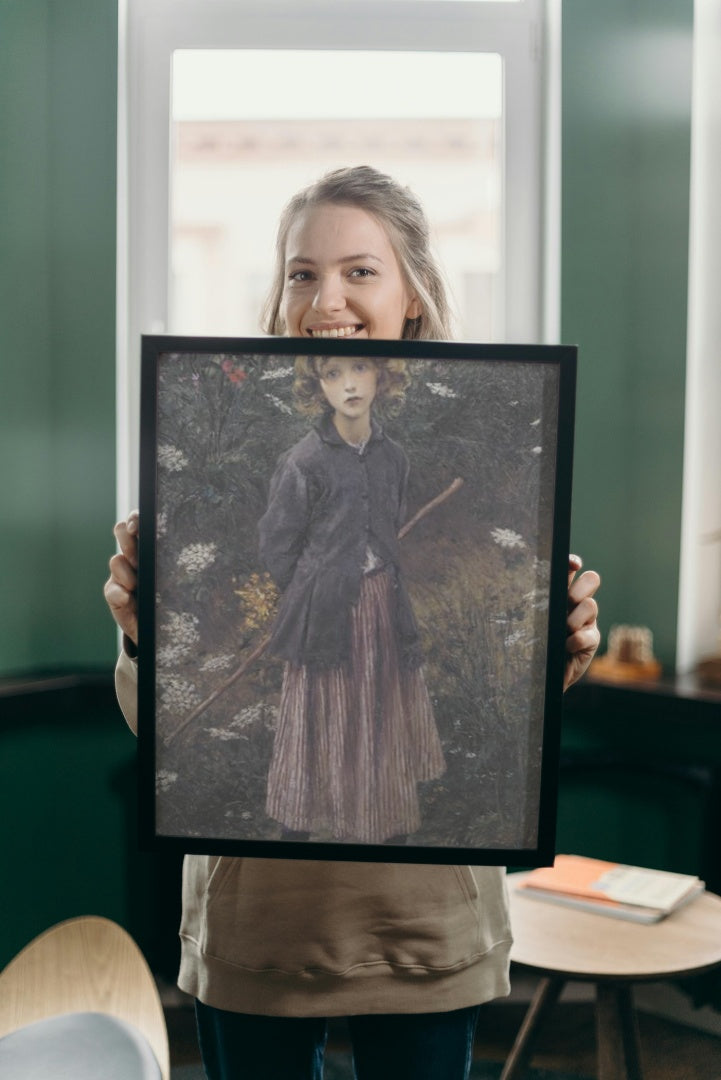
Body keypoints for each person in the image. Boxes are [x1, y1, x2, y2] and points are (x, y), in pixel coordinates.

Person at [105, 166, 601, 1080]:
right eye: (301, 273)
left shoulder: (427, 444)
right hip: (260, 928)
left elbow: (509, 712)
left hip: (423, 925)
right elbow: (161, 722)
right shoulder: (283, 452)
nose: (324, 298)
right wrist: (145, 634)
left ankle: (381, 801)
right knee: (326, 709)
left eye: (359, 271)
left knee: (383, 715)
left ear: (412, 294)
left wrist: (552, 652)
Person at [258, 353, 444, 844]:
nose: (349, 385)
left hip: (383, 603)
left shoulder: (393, 457)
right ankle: (297, 834)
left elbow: (389, 519)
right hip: (326, 614)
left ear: (382, 377)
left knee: (379, 712)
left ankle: (385, 829)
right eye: (332, 374)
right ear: (319, 387)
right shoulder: (304, 461)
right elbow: (278, 544)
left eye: (359, 369)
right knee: (322, 716)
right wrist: (314, 589)